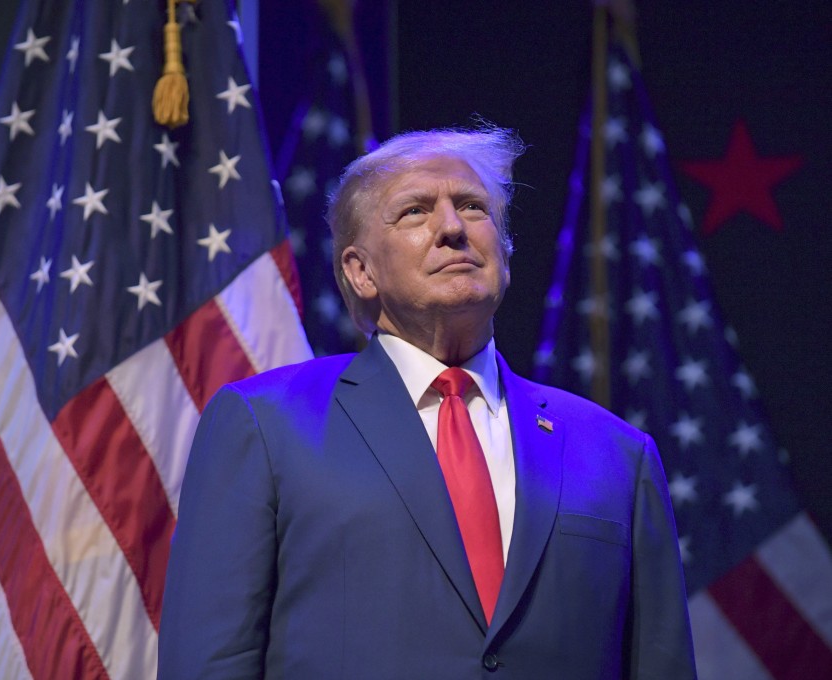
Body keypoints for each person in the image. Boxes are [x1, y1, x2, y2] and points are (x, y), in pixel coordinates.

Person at [158, 126, 696, 678]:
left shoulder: (618, 454)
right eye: (415, 211)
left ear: (505, 255)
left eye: (472, 206)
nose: (452, 228)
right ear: (360, 271)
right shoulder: (265, 427)